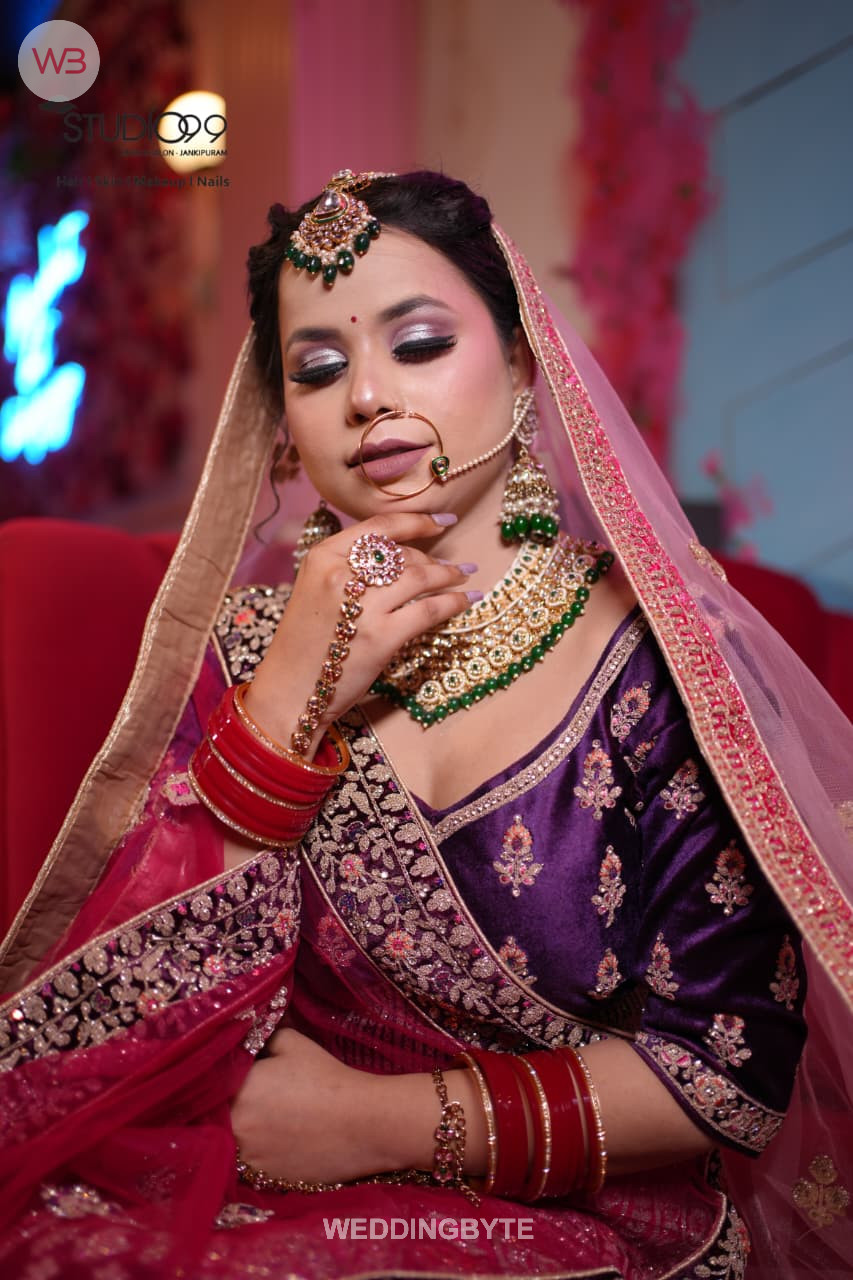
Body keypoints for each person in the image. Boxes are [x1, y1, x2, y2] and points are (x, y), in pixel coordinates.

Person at [0, 169, 850, 1280]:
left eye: (418, 344)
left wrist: (375, 1124)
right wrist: (290, 695)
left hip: (584, 1214)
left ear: (525, 364)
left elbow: (727, 1072)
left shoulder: (666, 660)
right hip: (257, 1178)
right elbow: (142, 1018)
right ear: (284, 428)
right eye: (317, 368)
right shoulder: (247, 646)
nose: (365, 396)